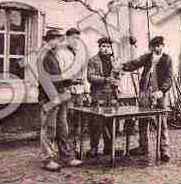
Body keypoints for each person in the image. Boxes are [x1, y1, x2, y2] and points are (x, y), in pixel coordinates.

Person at [121, 36, 172, 162]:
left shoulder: (167, 59)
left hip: (159, 94)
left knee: (162, 122)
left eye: (159, 46)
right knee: (143, 120)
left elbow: (169, 78)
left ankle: (164, 150)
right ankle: (143, 147)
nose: (157, 48)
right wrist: (122, 66)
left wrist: (162, 91)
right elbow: (135, 63)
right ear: (152, 47)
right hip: (144, 93)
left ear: (162, 46)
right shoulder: (147, 57)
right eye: (154, 46)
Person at [38, 29, 82, 172]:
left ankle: (66, 157)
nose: (58, 42)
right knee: (49, 129)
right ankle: (47, 159)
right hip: (50, 98)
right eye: (55, 39)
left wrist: (68, 82)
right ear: (48, 41)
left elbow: (57, 77)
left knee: (63, 128)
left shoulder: (52, 55)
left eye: (59, 39)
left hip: (61, 96)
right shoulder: (43, 56)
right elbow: (46, 80)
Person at [86, 37, 120, 157]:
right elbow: (90, 77)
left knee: (112, 123)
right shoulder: (93, 60)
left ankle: (109, 147)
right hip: (98, 95)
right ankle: (94, 148)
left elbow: (118, 77)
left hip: (112, 96)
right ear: (99, 47)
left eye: (108, 47)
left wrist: (116, 81)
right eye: (103, 46)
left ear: (111, 48)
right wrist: (105, 79)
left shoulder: (114, 61)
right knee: (96, 123)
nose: (105, 49)